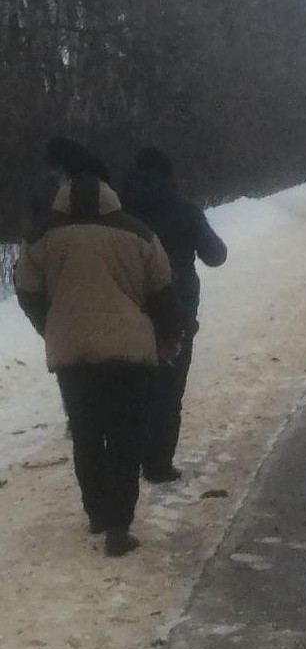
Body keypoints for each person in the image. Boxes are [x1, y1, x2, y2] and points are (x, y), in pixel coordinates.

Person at [14, 172, 185, 556]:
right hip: (129, 352)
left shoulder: (41, 236)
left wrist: (51, 325)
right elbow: (162, 291)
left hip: (72, 353)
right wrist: (170, 334)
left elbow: (25, 290)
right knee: (126, 435)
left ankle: (96, 512)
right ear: (111, 197)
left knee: (87, 433)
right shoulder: (139, 234)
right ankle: (119, 526)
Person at [120, 147, 228, 484]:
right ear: (169, 175)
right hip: (176, 311)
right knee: (169, 388)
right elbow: (215, 255)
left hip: (128, 310)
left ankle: (128, 456)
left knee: (132, 387)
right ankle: (158, 464)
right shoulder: (184, 211)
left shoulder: (119, 212)